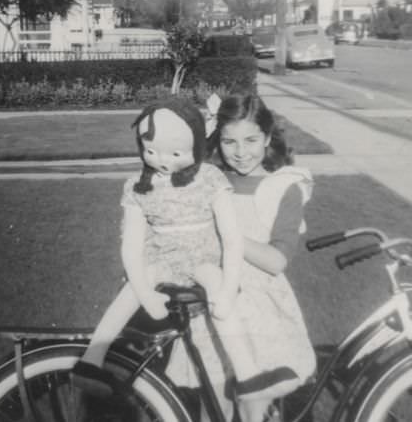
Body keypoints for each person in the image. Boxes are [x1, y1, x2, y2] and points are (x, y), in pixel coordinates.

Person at [75, 98, 294, 403]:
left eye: (175, 152)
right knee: (133, 297)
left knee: (217, 292)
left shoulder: (211, 179)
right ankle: (91, 360)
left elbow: (233, 239)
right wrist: (145, 291)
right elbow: (131, 247)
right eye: (151, 151)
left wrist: (228, 290)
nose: (163, 161)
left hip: (206, 263)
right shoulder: (138, 187)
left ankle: (248, 375)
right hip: (162, 260)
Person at [166, 93, 317, 422]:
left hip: (263, 310)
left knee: (257, 407)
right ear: (217, 142)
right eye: (229, 141)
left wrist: (227, 232)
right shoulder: (212, 183)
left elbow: (276, 261)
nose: (241, 151)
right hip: (216, 304)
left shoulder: (283, 187)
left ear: (266, 138)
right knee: (215, 401)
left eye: (250, 140)